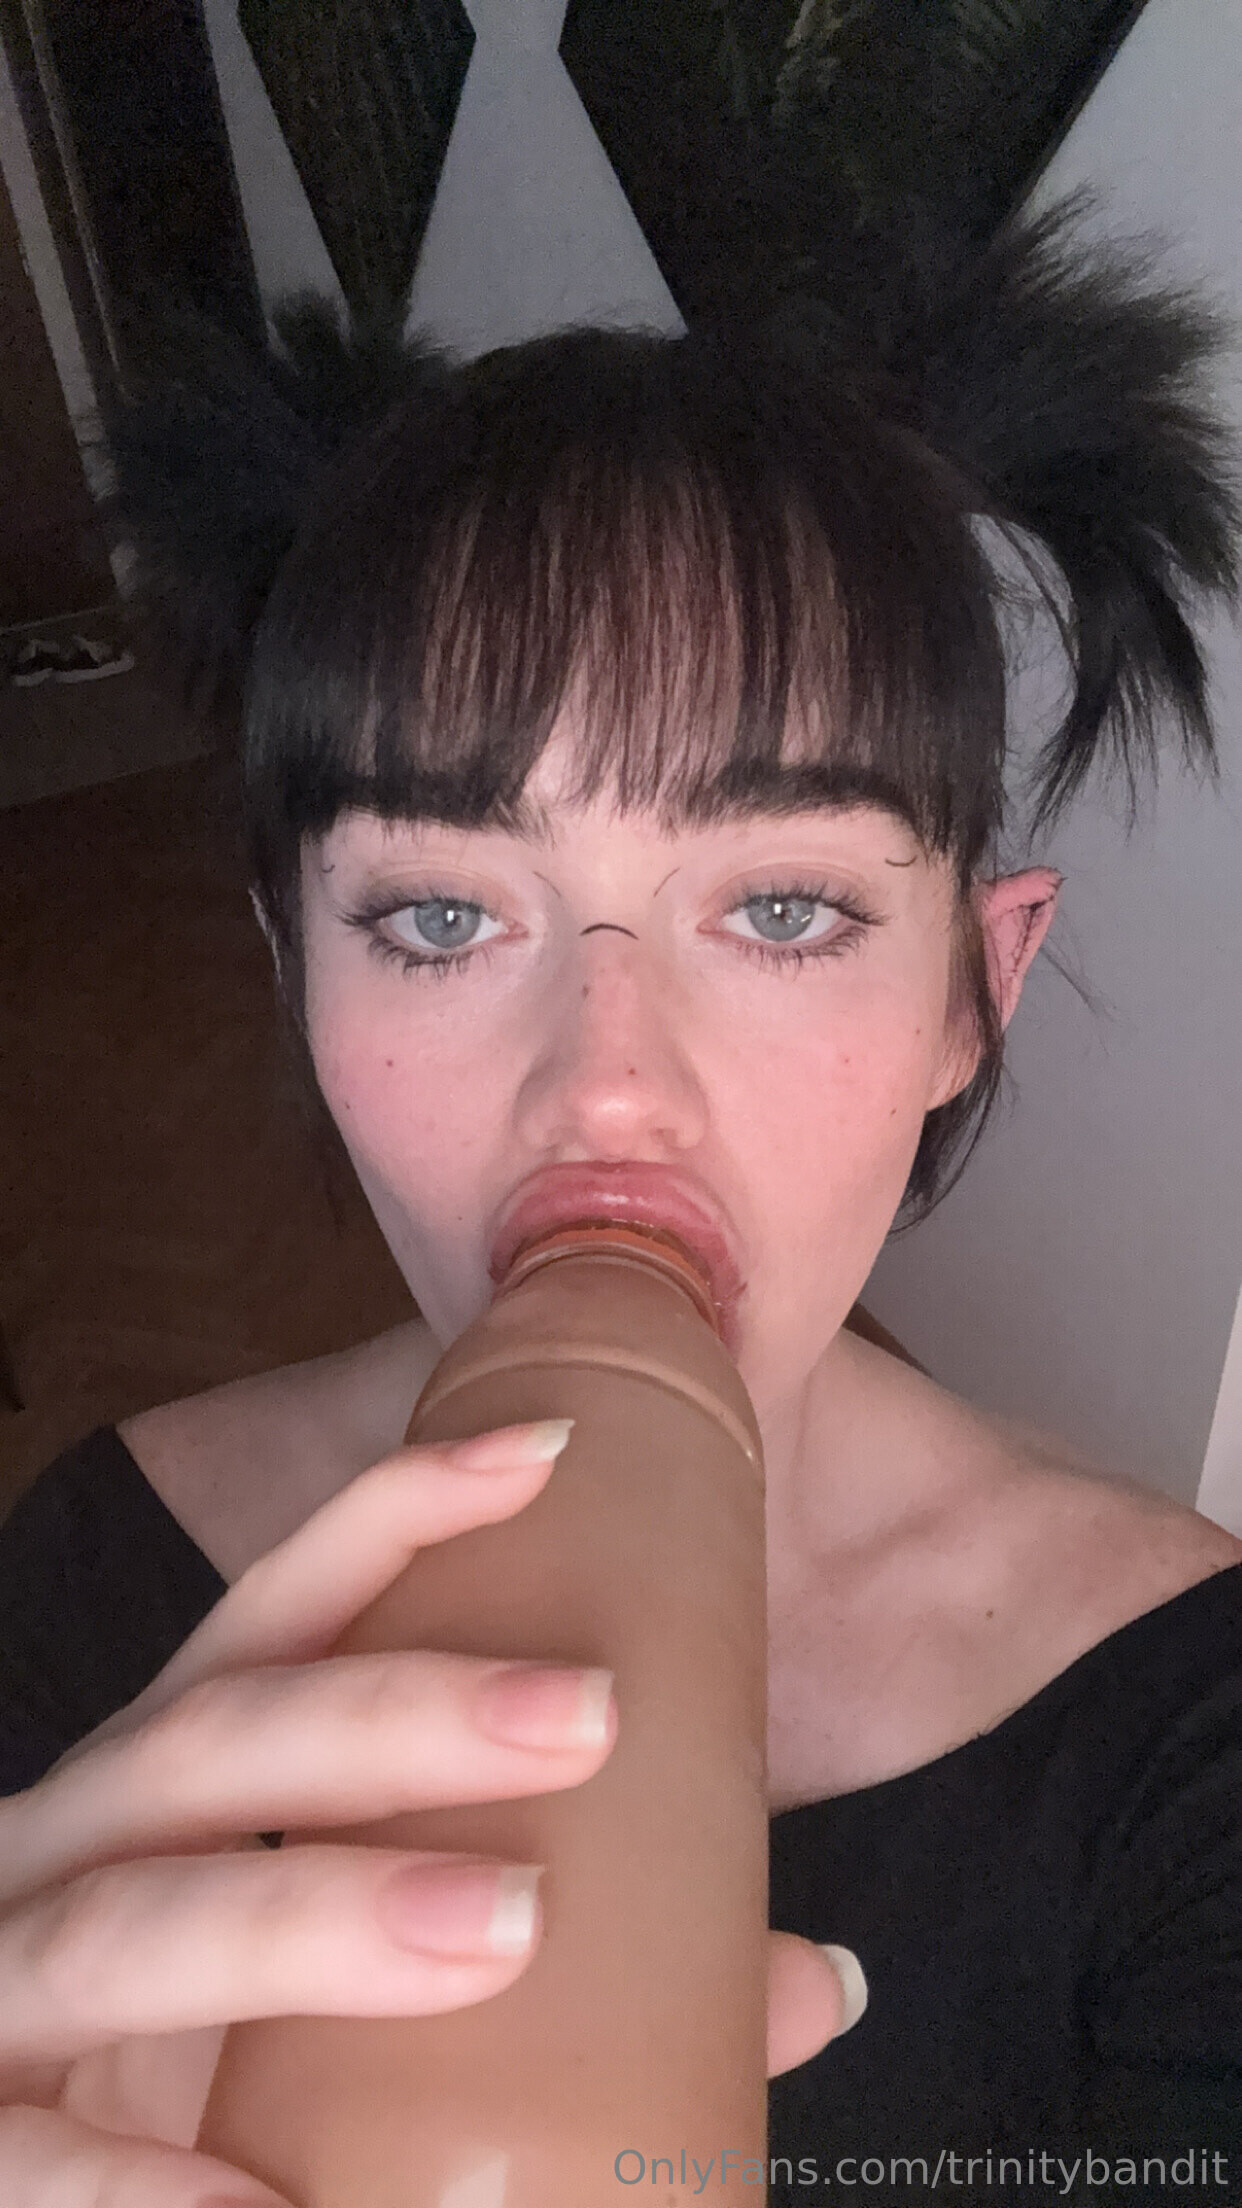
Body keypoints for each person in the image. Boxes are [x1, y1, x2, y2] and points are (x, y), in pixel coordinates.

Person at [1, 232, 1240, 2207]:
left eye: (781, 908)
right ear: (292, 974)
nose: (603, 1089)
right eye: (438, 915)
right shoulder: (89, 1596)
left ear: (973, 993)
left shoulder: (1195, 1748)